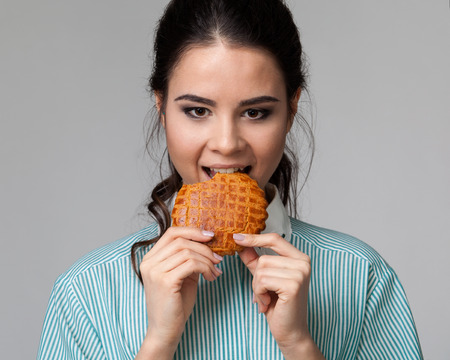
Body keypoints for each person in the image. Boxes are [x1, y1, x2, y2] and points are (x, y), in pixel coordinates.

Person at [37, 0, 423, 359]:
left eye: (255, 113)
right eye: (197, 110)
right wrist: (158, 342)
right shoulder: (85, 292)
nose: (226, 144)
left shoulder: (360, 275)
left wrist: (300, 344)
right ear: (162, 109)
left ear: (290, 110)